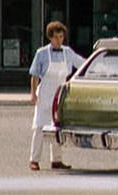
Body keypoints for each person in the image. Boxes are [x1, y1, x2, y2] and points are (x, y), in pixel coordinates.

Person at [28, 21, 86, 171]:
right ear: (50, 37)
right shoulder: (41, 53)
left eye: (61, 36)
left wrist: (96, 67)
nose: (59, 40)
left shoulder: (67, 52)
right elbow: (34, 74)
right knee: (39, 126)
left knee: (57, 127)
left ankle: (57, 160)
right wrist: (33, 93)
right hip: (45, 92)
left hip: (60, 93)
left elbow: (81, 63)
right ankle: (34, 159)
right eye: (56, 37)